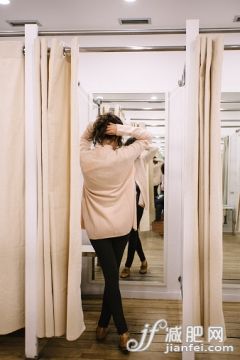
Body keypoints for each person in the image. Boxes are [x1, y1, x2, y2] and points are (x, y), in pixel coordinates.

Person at [79, 113, 151, 352]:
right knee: (111, 278)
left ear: (98, 134)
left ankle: (102, 324)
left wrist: (99, 126)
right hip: (121, 225)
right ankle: (122, 330)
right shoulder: (125, 155)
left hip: (97, 227)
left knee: (111, 278)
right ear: (115, 134)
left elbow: (84, 136)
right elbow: (147, 136)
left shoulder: (84, 155)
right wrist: (121, 129)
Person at [120, 137, 157, 279]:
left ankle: (128, 266)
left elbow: (154, 149)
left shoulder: (142, 158)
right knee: (132, 233)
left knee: (132, 232)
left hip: (138, 200)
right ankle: (143, 261)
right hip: (125, 201)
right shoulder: (123, 160)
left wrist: (142, 145)